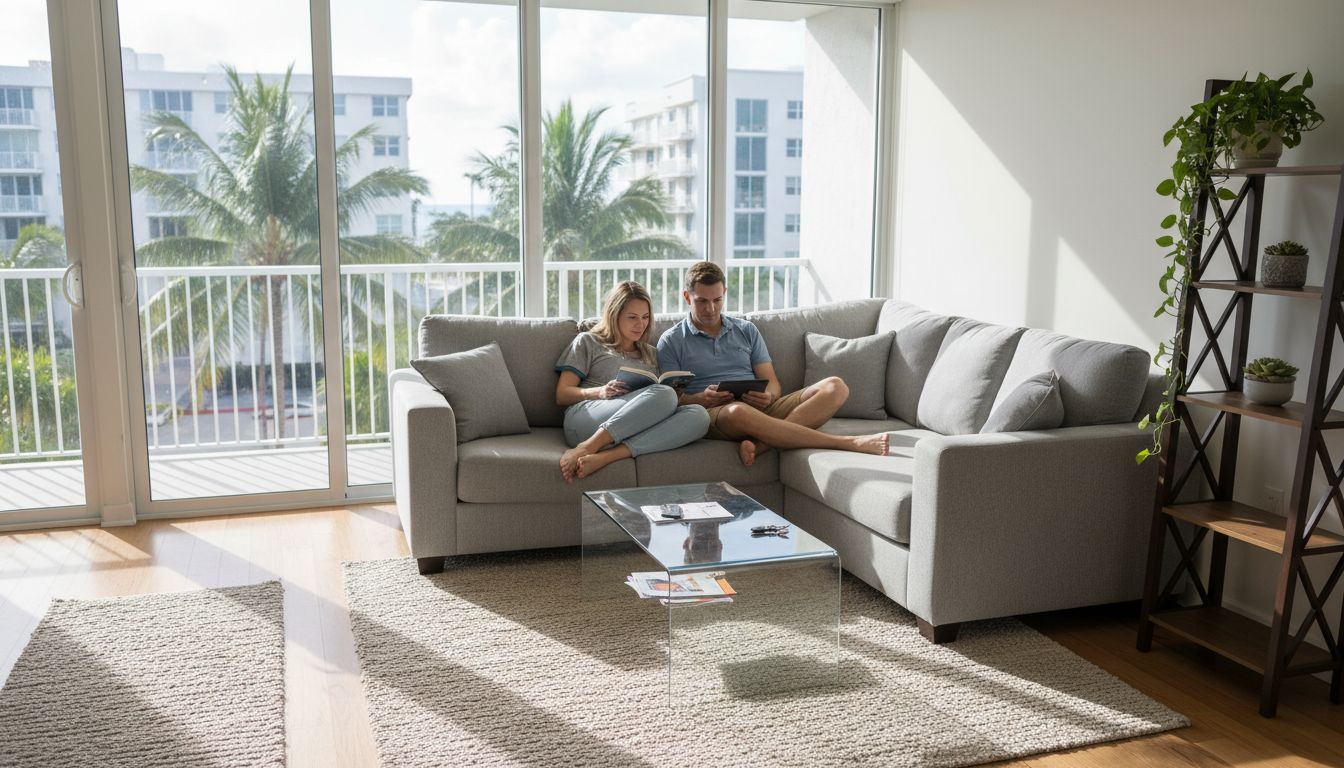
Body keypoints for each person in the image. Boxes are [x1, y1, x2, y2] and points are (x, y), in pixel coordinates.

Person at [656, 261, 889, 466]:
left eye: (717, 300)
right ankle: (847, 443)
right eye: (702, 301)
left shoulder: (746, 330)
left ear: (725, 293)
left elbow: (774, 385)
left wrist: (768, 397)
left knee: (836, 387)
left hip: (759, 408)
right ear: (687, 297)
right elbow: (671, 400)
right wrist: (701, 398)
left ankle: (760, 446)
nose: (711, 309)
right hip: (718, 415)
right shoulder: (672, 340)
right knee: (738, 411)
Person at [555, 281, 710, 482]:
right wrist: (600, 391)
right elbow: (562, 394)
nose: (641, 324)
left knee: (699, 416)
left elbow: (659, 401)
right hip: (584, 419)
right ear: (614, 315)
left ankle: (607, 456)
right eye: (632, 317)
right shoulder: (588, 341)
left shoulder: (652, 354)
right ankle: (588, 446)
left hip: (633, 425)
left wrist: (685, 395)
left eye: (645, 317)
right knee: (664, 394)